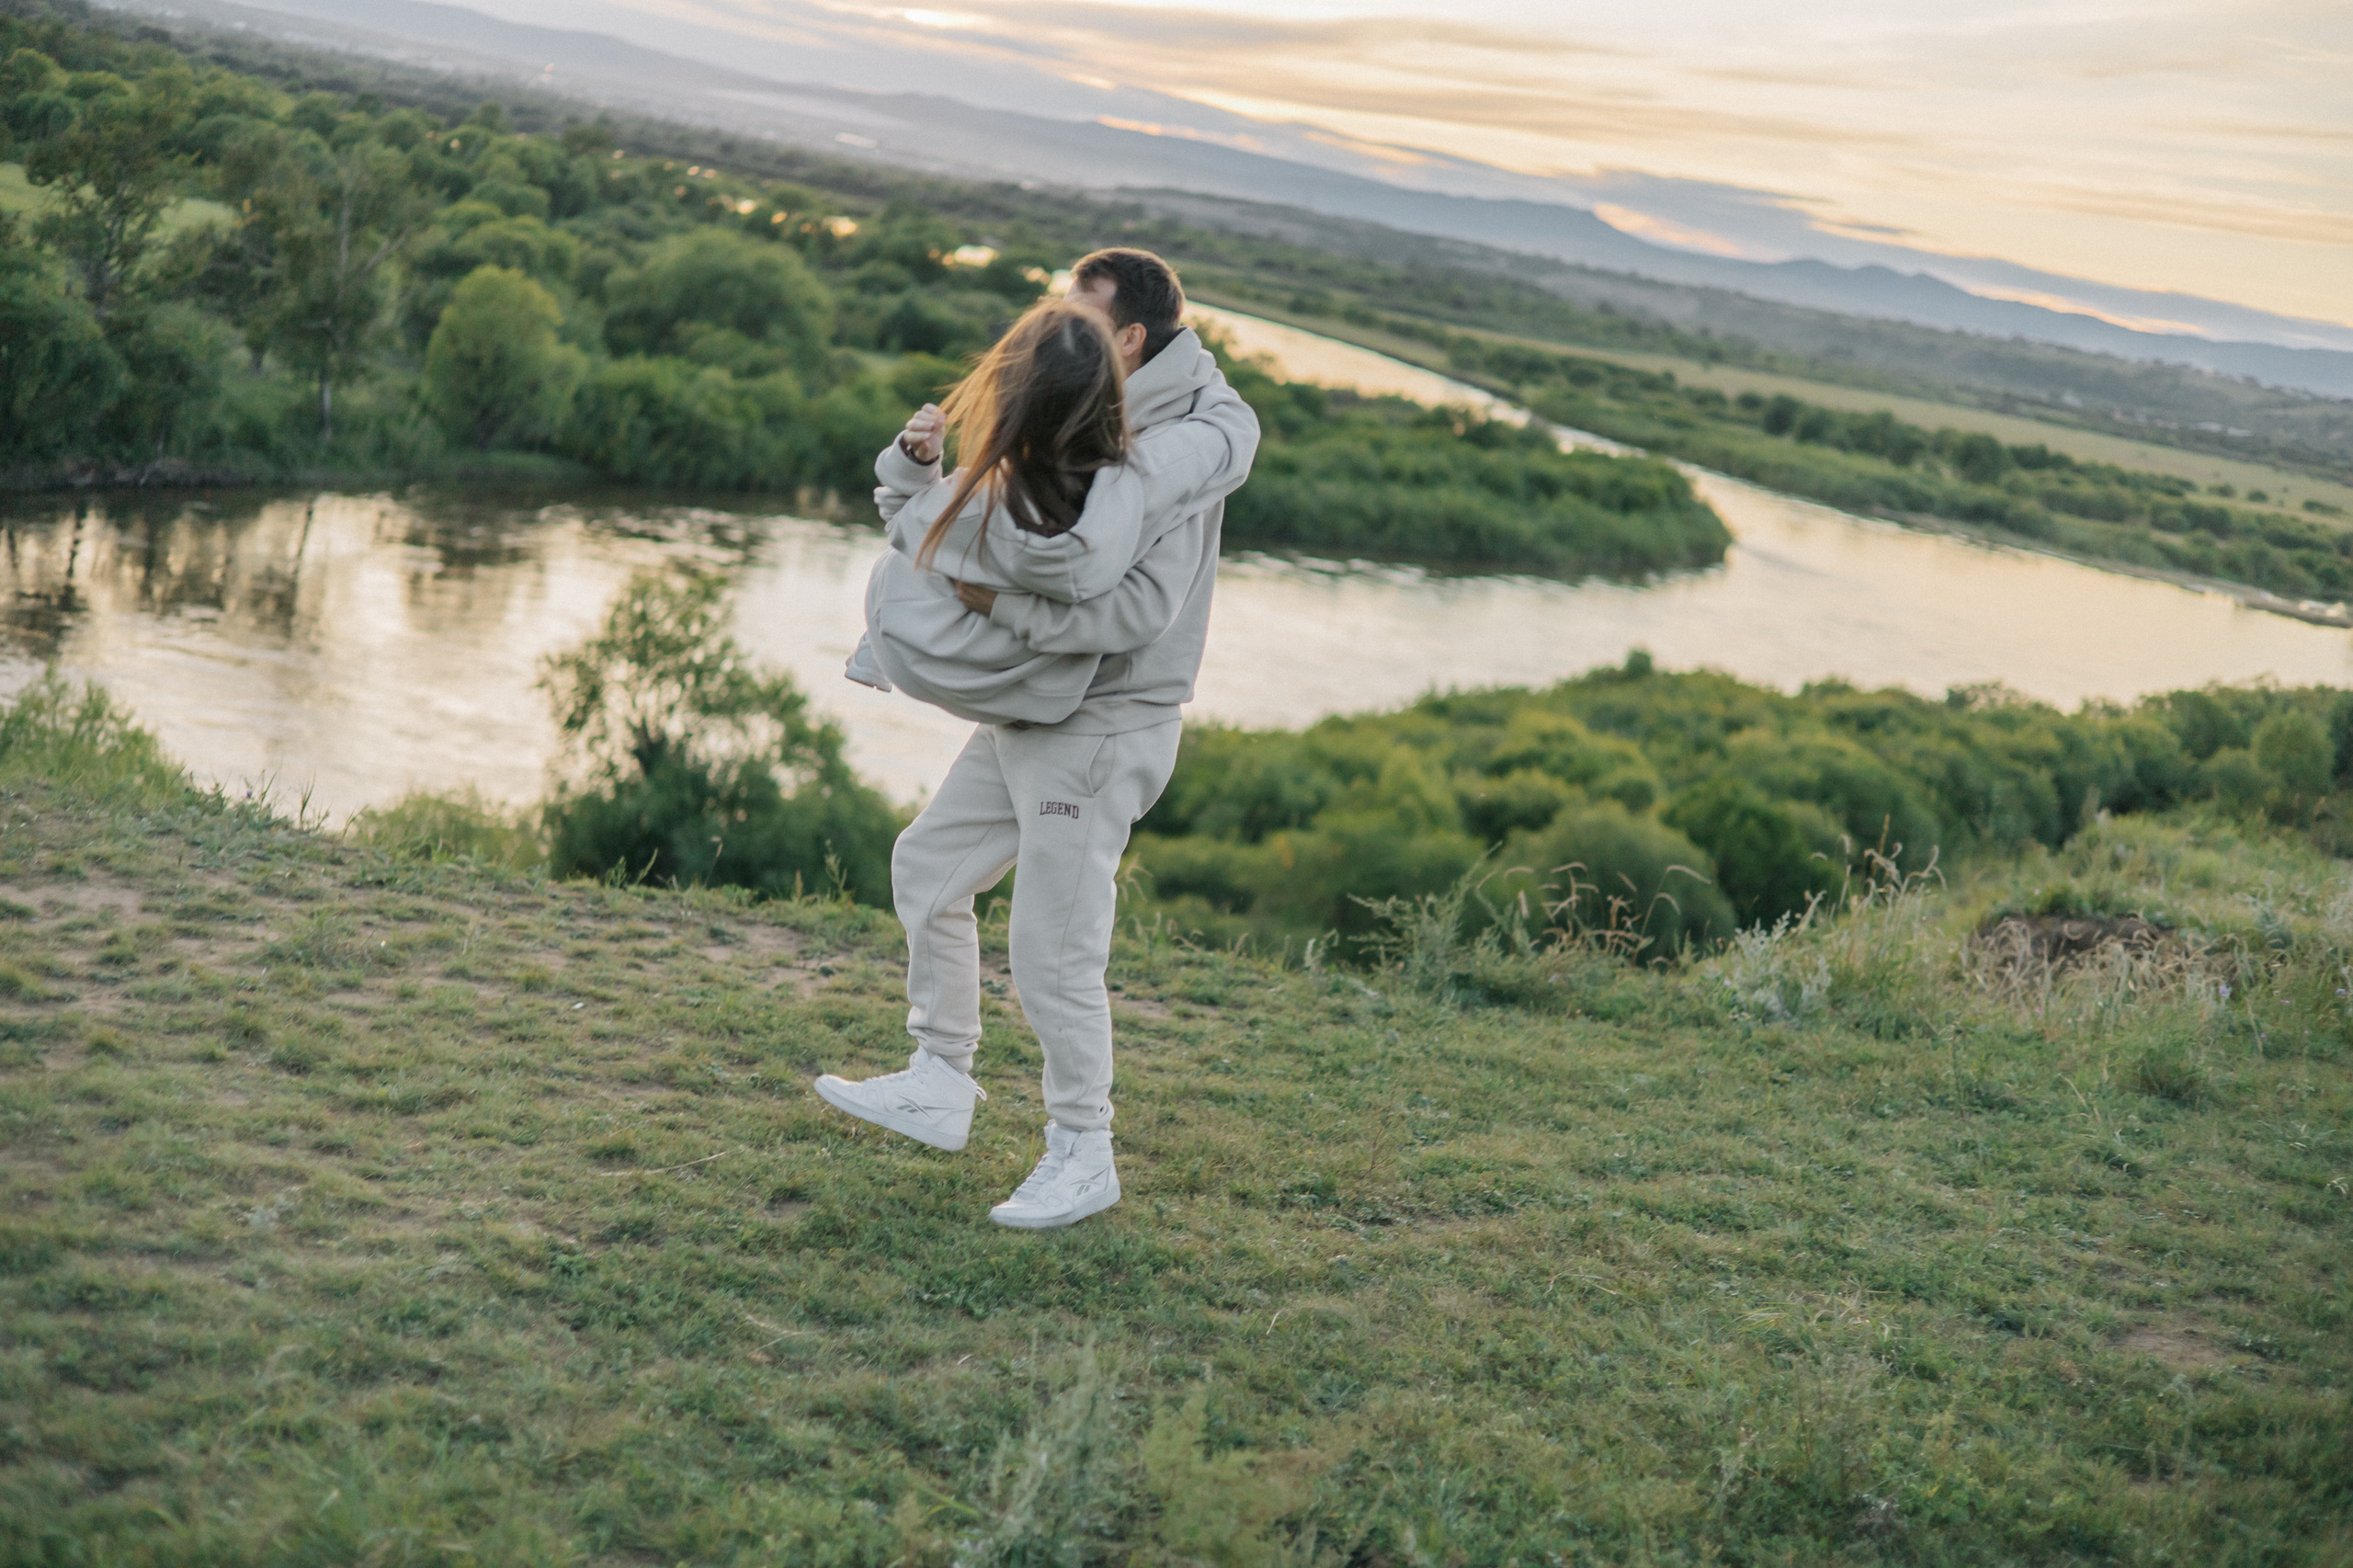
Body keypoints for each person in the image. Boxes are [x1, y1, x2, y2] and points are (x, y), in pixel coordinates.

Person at [814, 249, 1258, 1229]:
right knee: (929, 869)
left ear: (1131, 338)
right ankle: (940, 1078)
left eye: (1083, 319)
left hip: (1104, 720)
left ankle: (1081, 1150)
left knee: (1052, 948)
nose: (1061, 331)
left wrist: (988, 601)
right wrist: (926, 478)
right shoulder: (1092, 407)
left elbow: (1130, 613)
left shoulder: (1173, 453)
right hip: (1038, 705)